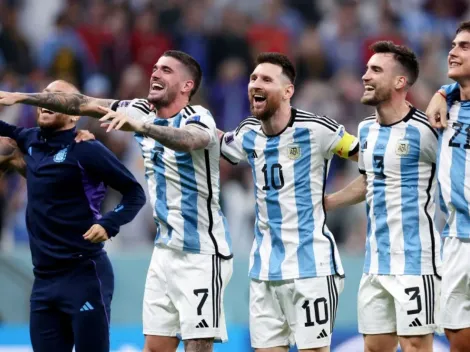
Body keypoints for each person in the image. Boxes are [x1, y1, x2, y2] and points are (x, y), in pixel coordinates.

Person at [0, 50, 232, 352]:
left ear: (187, 85)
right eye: (155, 67)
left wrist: (140, 127)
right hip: (164, 249)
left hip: (201, 250)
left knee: (198, 343)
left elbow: (191, 140)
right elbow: (81, 104)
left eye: (166, 70)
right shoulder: (137, 109)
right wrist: (20, 97)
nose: (155, 74)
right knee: (155, 347)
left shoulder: (198, 117)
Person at [219, 52, 358, 352]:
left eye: (266, 79)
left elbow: (374, 163)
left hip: (312, 269)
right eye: (253, 78)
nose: (255, 83)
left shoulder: (318, 129)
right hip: (264, 272)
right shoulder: (247, 134)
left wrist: (333, 200)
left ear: (287, 91)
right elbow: (215, 142)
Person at [0, 79, 146, 352]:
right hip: (43, 282)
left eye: (55, 97)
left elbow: (135, 193)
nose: (45, 101)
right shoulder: (30, 140)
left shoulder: (87, 149)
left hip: (84, 274)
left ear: (75, 113)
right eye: (42, 96)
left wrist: (109, 224)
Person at [325, 41, 441, 352]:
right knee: (375, 347)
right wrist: (328, 202)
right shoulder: (365, 130)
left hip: (417, 261)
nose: (365, 76)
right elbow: (369, 181)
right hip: (375, 262)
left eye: (376, 70)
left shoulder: (427, 130)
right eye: (366, 68)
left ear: (400, 81)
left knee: (416, 345)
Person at [425, 20, 470, 352]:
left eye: (465, 47)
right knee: (456, 335)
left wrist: (442, 90)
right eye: (454, 45)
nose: (453, 52)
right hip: (455, 239)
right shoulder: (448, 107)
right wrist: (443, 92)